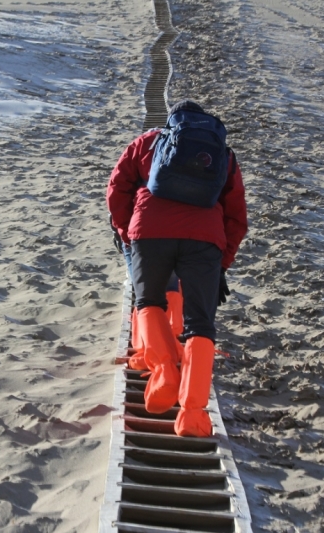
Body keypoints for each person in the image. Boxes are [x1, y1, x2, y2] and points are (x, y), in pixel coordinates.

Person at [106, 100, 248, 437]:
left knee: (149, 302)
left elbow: (117, 189)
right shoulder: (222, 156)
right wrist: (221, 261)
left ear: (174, 122)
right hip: (205, 239)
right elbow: (237, 216)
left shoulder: (148, 142)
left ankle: (165, 369)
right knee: (201, 323)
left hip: (149, 231)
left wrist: (129, 232)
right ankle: (192, 415)